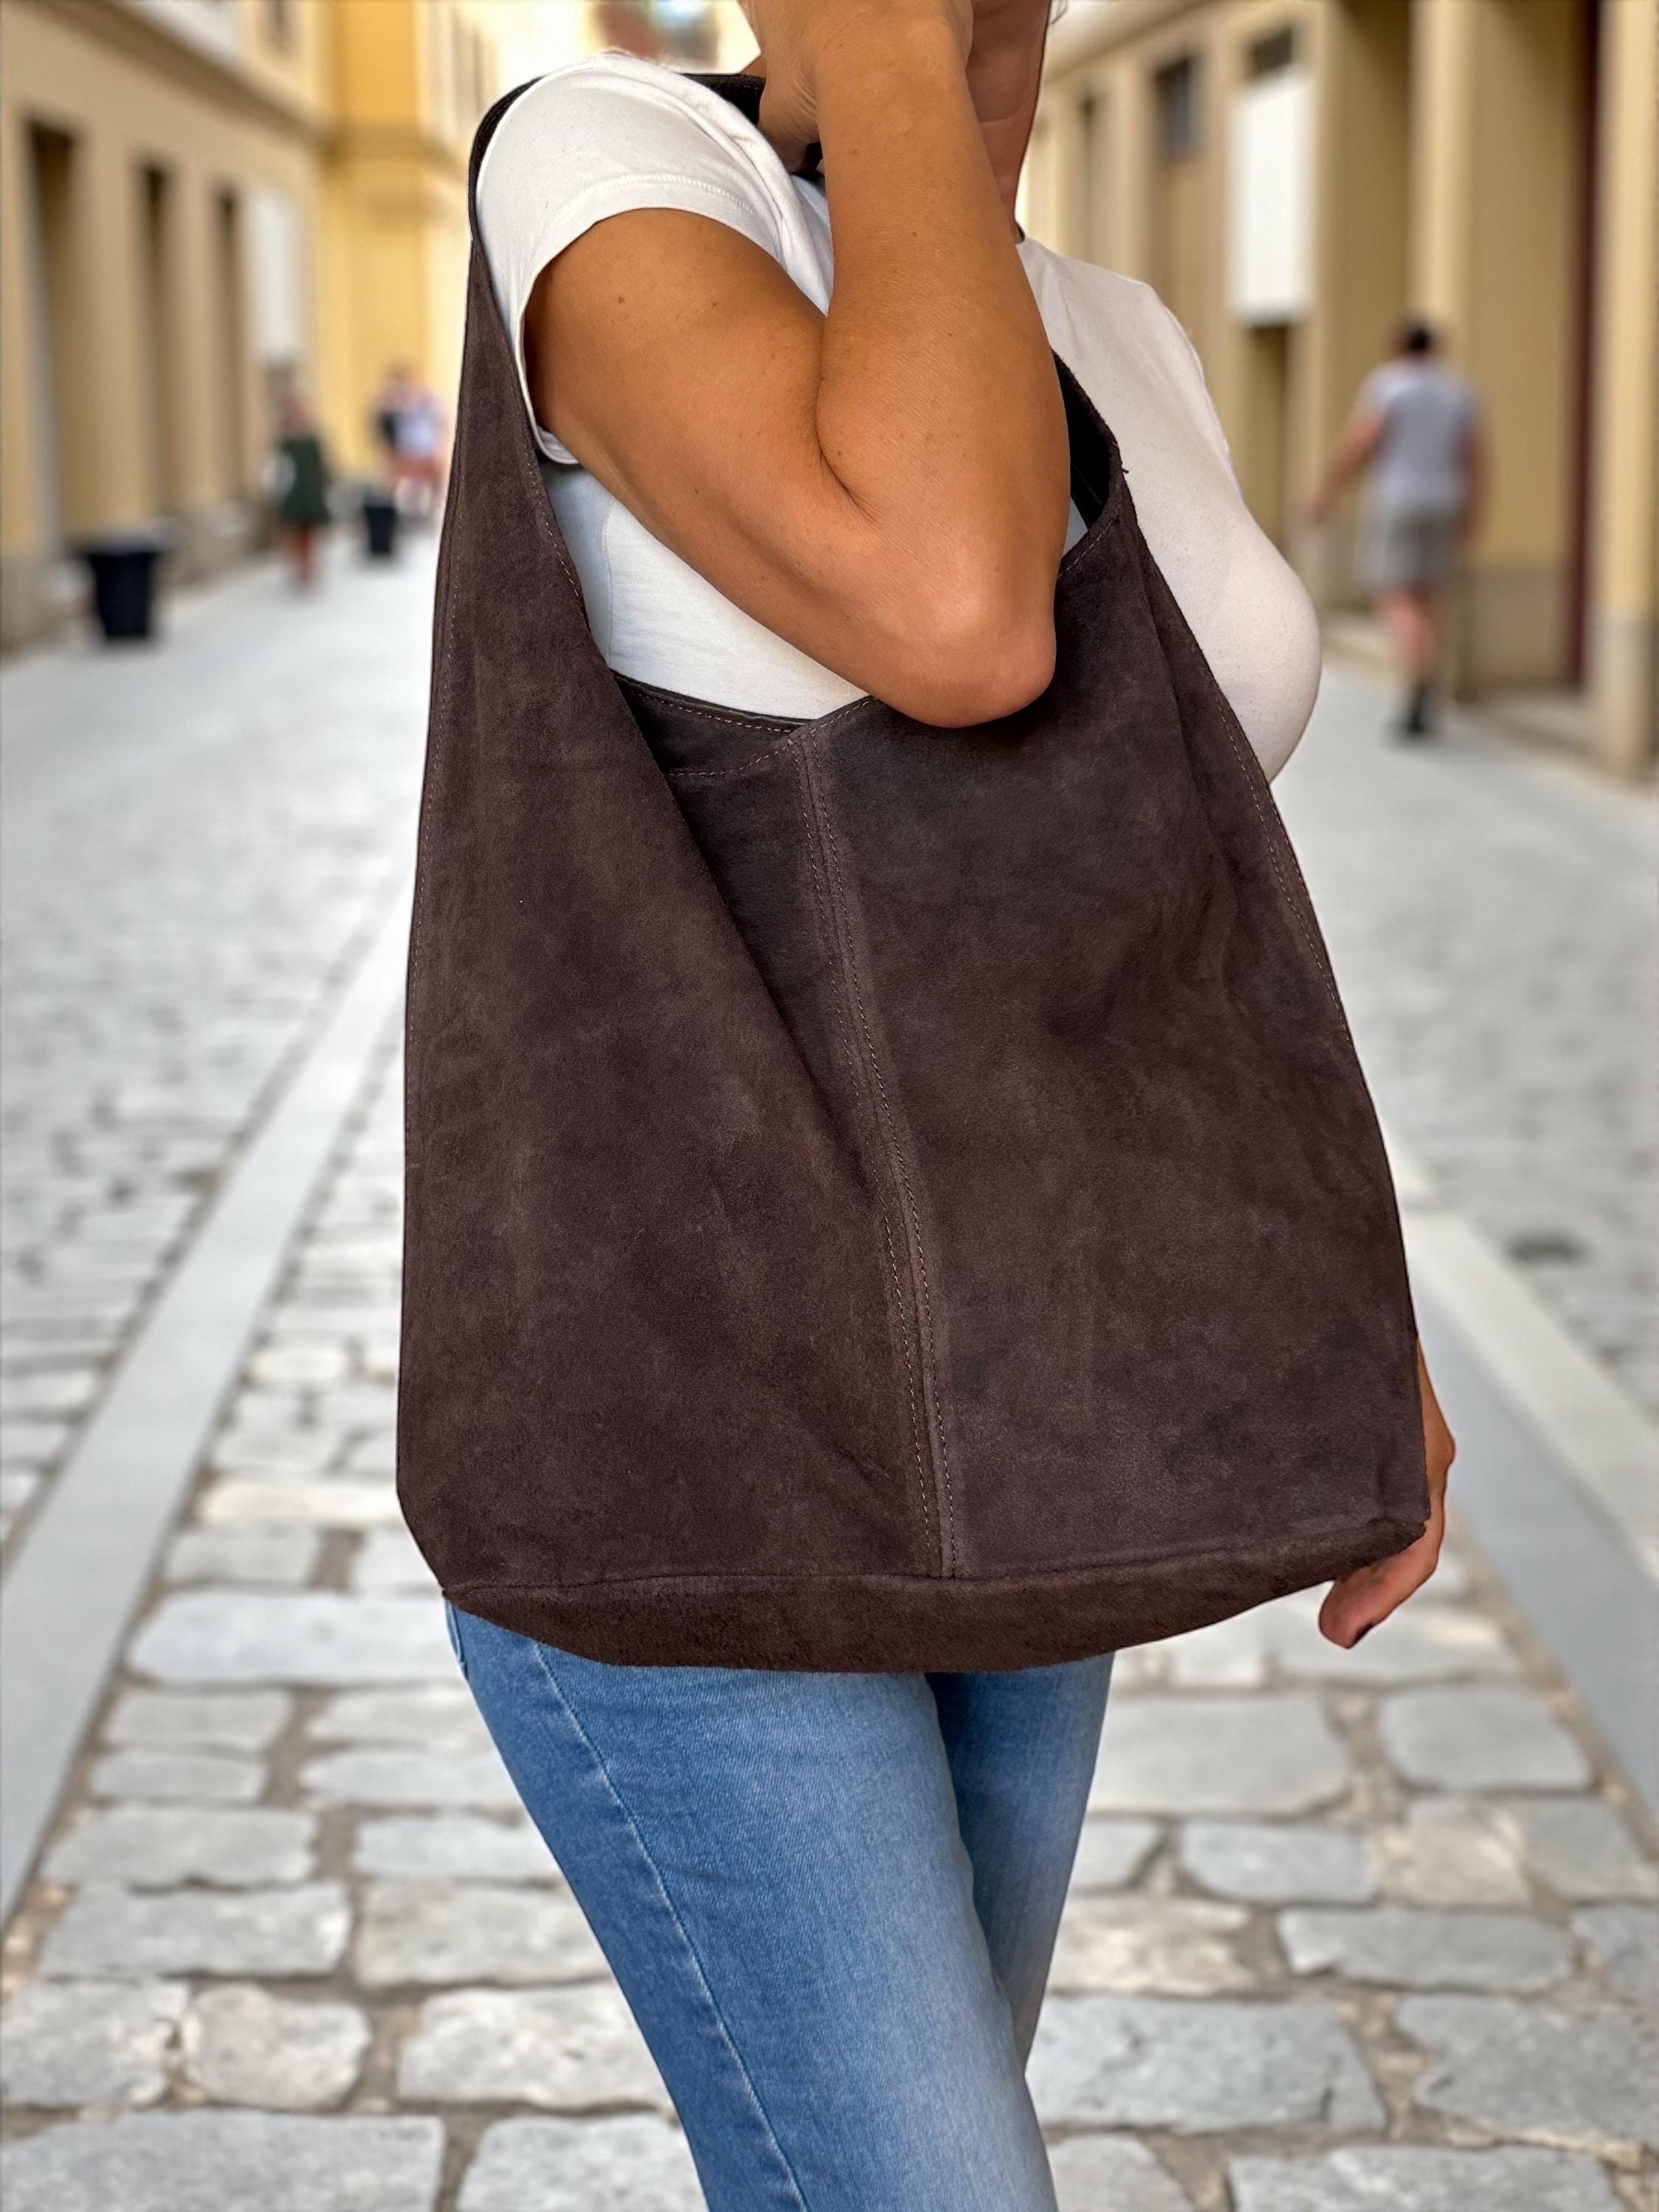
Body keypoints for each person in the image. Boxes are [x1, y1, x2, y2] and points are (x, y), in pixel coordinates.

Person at [432, 4, 1456, 2204]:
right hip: (690, 1464)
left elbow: (1174, 899)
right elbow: (956, 613)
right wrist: (880, 49)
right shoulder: (614, 168)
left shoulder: (1115, 332)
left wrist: (1350, 1313)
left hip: (1026, 1440)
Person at [1310, 319, 1483, 739]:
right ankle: (1429, 678)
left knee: (1396, 595)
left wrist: (1327, 491)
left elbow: (1361, 441)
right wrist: (1473, 510)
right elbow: (1474, 456)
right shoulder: (1459, 391)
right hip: (1446, 500)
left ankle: (1418, 685)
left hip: (1399, 500)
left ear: (1398, 347)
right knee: (1429, 596)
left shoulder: (1388, 385)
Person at [268, 390, 332, 590]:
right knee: (293, 529)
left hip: (310, 489)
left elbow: (321, 465)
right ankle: (298, 565)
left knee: (309, 531)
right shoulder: (283, 440)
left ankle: (308, 565)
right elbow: (278, 467)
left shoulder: (312, 438)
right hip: (292, 490)